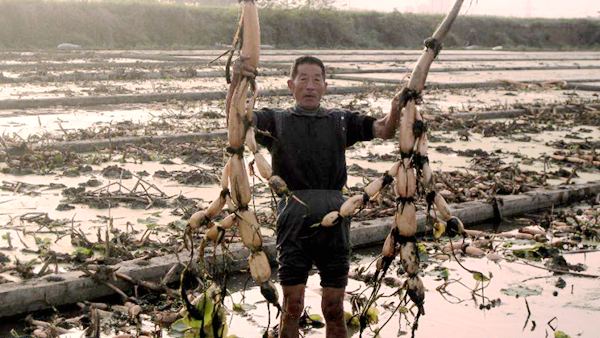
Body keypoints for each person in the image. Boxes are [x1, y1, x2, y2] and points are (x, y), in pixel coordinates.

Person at [233, 55, 400, 338]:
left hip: (337, 220)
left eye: (316, 80)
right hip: (293, 220)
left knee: (334, 309)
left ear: (325, 86)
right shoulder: (276, 121)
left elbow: (385, 129)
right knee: (292, 306)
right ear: (291, 85)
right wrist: (238, 80)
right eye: (303, 79)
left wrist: (398, 106)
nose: (310, 86)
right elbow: (236, 119)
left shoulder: (341, 122)